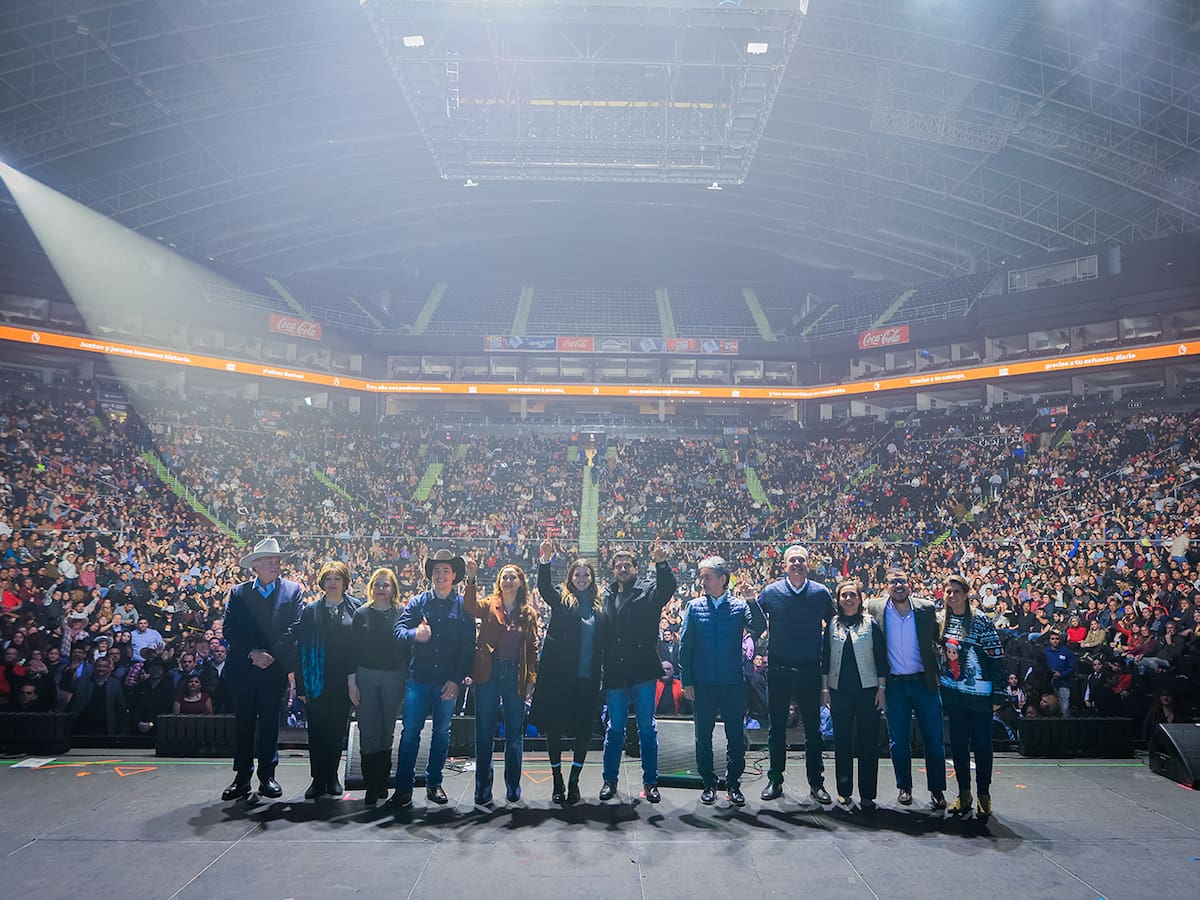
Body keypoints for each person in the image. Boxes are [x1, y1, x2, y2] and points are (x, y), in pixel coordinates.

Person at [220, 538, 304, 801]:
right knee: (243, 723)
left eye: (277, 560)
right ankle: (242, 776)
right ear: (255, 565)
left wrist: (271, 656)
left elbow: (295, 627)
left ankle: (268, 776)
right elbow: (229, 630)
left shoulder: (292, 591)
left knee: (269, 722)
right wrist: (252, 654)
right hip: (244, 669)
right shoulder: (239, 592)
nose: (275, 564)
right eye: (269, 560)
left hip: (274, 669)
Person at [392, 548, 476, 809]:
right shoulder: (418, 603)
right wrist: (415, 633)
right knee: (410, 735)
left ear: (454, 576)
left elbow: (467, 646)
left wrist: (456, 678)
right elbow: (398, 631)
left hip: (446, 682)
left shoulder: (464, 606)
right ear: (431, 575)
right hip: (418, 679)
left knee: (442, 734)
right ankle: (403, 788)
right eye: (437, 570)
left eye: (446, 571)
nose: (441, 575)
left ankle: (434, 783)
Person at [679, 556, 766, 806]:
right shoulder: (694, 607)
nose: (702, 581)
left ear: (722, 579)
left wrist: (752, 600)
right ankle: (708, 783)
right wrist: (687, 680)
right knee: (702, 736)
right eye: (702, 576)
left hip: (732, 683)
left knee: (735, 736)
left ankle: (733, 784)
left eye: (707, 577)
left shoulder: (739, 606)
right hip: (703, 683)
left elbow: (758, 628)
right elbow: (686, 646)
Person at [755, 545, 836, 804]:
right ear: (784, 565)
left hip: (810, 669)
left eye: (802, 559)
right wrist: (747, 600)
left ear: (808, 564)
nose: (798, 563)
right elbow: (756, 622)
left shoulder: (821, 593)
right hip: (779, 670)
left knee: (813, 730)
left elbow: (834, 627)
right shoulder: (771, 592)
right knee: (776, 728)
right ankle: (775, 779)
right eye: (793, 560)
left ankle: (817, 783)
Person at [598, 541, 677, 803]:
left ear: (635, 568)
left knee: (646, 728)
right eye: (618, 566)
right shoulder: (606, 595)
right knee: (615, 729)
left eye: (627, 565)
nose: (622, 569)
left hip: (642, 669)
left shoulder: (649, 590)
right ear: (613, 570)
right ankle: (609, 781)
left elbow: (668, 587)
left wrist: (661, 563)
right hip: (615, 671)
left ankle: (651, 782)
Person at [865, 568, 948, 809]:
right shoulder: (875, 608)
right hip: (894, 686)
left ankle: (937, 790)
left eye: (902, 581)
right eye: (893, 582)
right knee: (898, 741)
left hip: (924, 683)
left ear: (909, 584)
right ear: (886, 585)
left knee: (934, 740)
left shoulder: (926, 608)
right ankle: (905, 786)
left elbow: (937, 638)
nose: (898, 585)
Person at [532, 540, 606, 805]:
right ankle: (557, 780)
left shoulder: (600, 608)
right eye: (578, 574)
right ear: (571, 578)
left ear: (592, 578)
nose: (582, 578)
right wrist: (545, 560)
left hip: (587, 679)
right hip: (561, 679)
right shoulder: (562, 601)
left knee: (584, 731)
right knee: (555, 730)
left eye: (586, 575)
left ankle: (574, 780)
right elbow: (543, 588)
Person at [463, 557, 540, 809]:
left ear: (520, 583)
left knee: (514, 735)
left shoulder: (528, 613)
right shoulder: (489, 604)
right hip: (488, 672)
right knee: (484, 732)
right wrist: (471, 579)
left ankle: (512, 788)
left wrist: (530, 680)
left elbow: (532, 649)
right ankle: (483, 790)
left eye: (512, 577)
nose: (508, 580)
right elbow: (469, 607)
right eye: (504, 576)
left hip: (515, 674)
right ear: (499, 581)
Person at [938, 574, 1005, 818]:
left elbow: (996, 656)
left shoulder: (980, 621)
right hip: (954, 694)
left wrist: (999, 691)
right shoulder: (942, 620)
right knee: (957, 745)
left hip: (979, 696)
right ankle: (964, 793)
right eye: (948, 591)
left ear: (966, 594)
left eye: (957, 591)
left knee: (982, 746)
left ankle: (983, 794)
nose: (952, 595)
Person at [296, 560, 362, 800]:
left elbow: (361, 647)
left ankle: (332, 776)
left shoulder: (357, 608)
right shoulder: (311, 610)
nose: (332, 583)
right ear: (322, 582)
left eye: (337, 579)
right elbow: (301, 649)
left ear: (345, 582)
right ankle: (317, 778)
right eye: (328, 579)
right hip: (316, 679)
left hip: (345, 681)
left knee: (336, 730)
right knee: (317, 731)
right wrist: (301, 685)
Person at [821, 578, 887, 812]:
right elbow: (826, 658)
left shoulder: (871, 624)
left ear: (860, 599)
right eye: (844, 595)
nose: (848, 599)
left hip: (868, 691)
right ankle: (844, 791)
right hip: (839, 691)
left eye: (853, 595)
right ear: (838, 600)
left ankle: (868, 794)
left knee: (868, 743)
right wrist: (825, 689)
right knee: (843, 742)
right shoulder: (832, 624)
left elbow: (880, 657)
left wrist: (882, 688)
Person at [350, 567, 410, 806]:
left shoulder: (402, 612)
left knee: (387, 732)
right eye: (378, 584)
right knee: (368, 731)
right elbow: (351, 652)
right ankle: (370, 786)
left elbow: (407, 649)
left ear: (393, 588)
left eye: (386, 585)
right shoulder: (361, 614)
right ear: (371, 587)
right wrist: (351, 681)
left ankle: (383, 783)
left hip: (395, 676)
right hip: (366, 676)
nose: (381, 589)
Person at [1044, 631, 1076, 717]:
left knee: (1064, 708)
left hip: (1063, 684)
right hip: (1048, 685)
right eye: (1052, 639)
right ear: (1049, 640)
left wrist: (1061, 674)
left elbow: (1072, 668)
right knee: (1049, 709)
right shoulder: (1045, 651)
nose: (1055, 641)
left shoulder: (1067, 652)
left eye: (1057, 639)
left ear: (1060, 640)